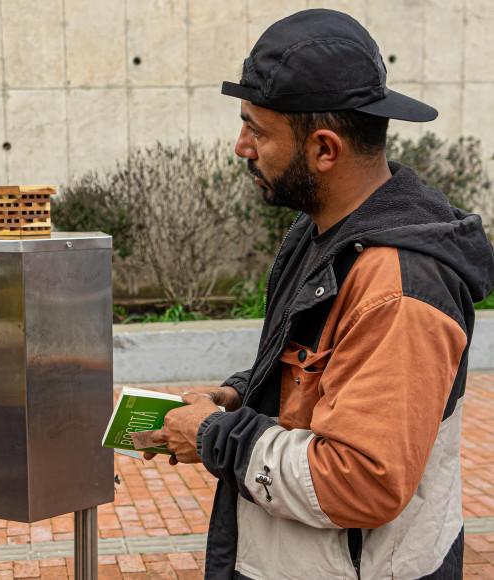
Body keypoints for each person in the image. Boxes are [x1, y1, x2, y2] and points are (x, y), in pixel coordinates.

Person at [147, 9, 494, 580]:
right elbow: (323, 379)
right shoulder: (320, 234)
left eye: (256, 130)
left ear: (325, 149)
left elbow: (361, 480)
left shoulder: (399, 289)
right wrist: (241, 396)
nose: (240, 147)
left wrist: (213, 435)